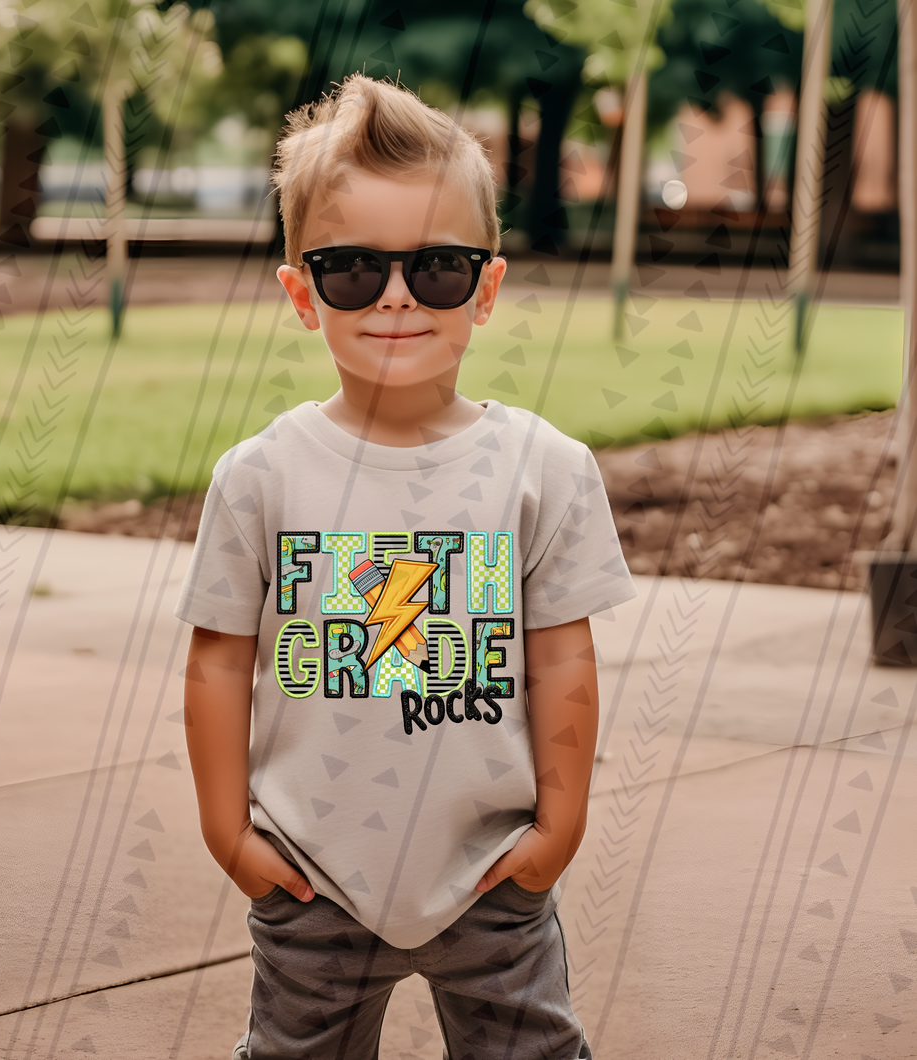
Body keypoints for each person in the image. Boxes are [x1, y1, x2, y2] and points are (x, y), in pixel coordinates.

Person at [175, 74, 637, 1060]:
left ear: (488, 287)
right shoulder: (260, 478)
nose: (394, 297)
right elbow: (217, 663)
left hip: (489, 865)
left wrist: (557, 827)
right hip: (309, 869)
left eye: (436, 267)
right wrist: (230, 835)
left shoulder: (542, 471)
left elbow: (563, 660)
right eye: (350, 269)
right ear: (302, 292)